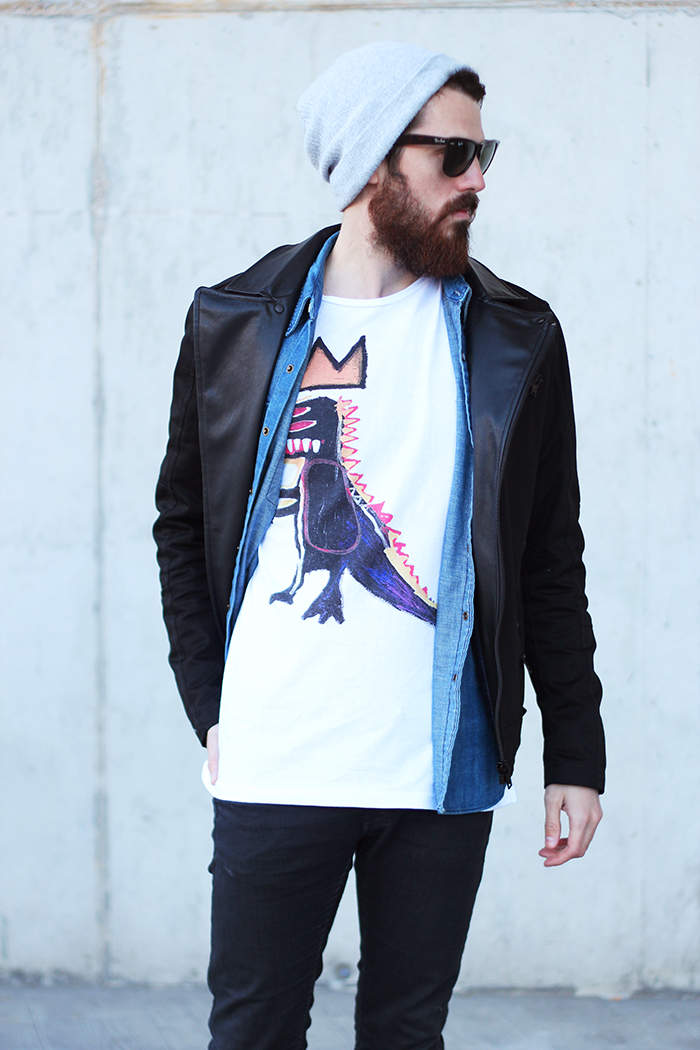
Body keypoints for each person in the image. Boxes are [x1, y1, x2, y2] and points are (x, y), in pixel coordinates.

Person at [154, 41, 605, 1050]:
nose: (477, 181)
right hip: (277, 756)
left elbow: (548, 559)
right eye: (453, 154)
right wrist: (211, 706)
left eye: (485, 154)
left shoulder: (517, 337)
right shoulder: (235, 321)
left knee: (406, 1032)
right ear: (371, 163)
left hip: (439, 766)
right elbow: (182, 525)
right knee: (253, 1030)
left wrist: (576, 754)